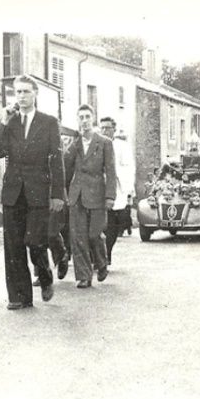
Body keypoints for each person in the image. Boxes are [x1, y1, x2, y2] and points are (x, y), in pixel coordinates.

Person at [0, 74, 65, 310]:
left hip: (39, 191)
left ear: (35, 94)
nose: (21, 97)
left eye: (25, 92)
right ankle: (19, 296)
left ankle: (44, 275)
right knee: (13, 245)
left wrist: (57, 194)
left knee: (35, 240)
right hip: (13, 191)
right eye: (17, 92)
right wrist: (2, 121)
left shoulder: (49, 122)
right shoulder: (9, 123)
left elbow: (56, 159)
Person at [64, 104, 116, 288]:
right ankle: (84, 276)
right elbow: (66, 168)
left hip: (97, 194)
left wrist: (110, 196)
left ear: (93, 119)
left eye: (87, 117)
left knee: (94, 234)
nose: (84, 121)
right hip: (77, 194)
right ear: (77, 120)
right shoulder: (75, 144)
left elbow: (110, 171)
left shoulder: (104, 143)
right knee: (78, 236)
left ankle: (101, 263)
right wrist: (62, 193)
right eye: (81, 117)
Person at [100, 117, 133, 266]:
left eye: (108, 128)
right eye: (102, 128)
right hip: (99, 188)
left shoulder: (122, 146)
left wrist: (129, 191)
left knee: (112, 225)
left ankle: (107, 253)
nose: (105, 131)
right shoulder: (97, 143)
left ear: (114, 129)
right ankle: (100, 256)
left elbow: (129, 168)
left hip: (117, 189)